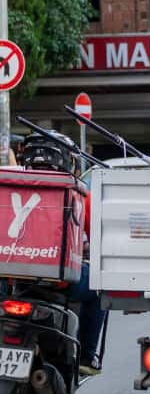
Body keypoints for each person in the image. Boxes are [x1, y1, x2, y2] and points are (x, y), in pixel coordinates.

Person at [20, 131, 106, 375]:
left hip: (11, 281)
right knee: (99, 288)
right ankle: (87, 358)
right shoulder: (77, 194)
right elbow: (99, 239)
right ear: (68, 161)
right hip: (59, 283)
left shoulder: (9, 186)